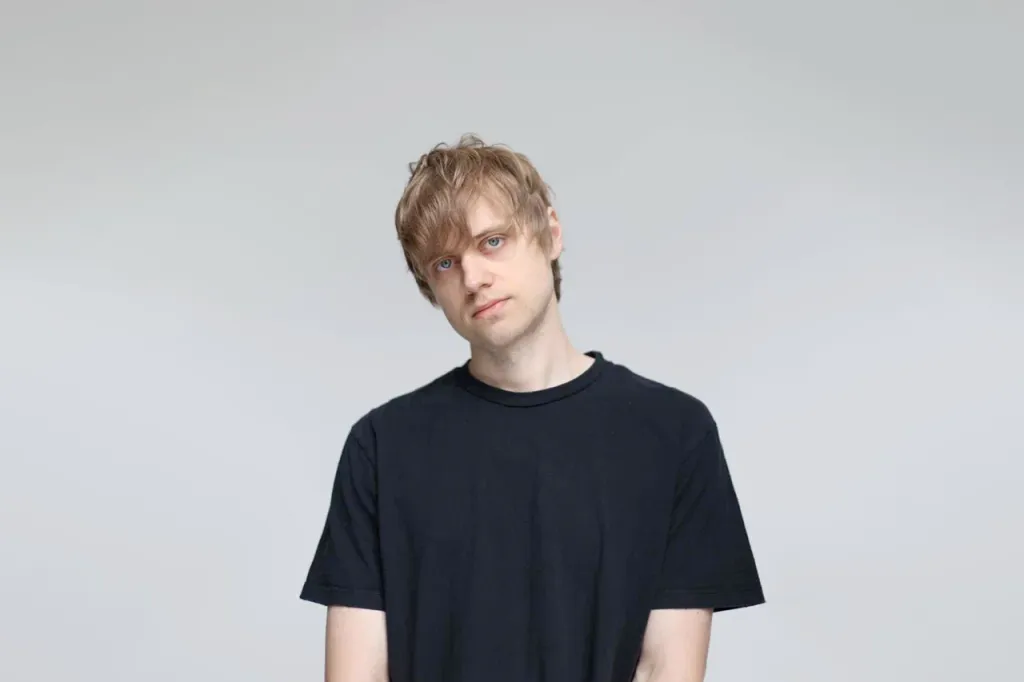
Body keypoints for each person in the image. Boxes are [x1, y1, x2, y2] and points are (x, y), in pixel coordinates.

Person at [299, 134, 765, 682]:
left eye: (492, 241)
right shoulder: (382, 446)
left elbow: (666, 667)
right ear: (430, 286)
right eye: (445, 263)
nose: (474, 278)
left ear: (551, 233)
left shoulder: (673, 432)